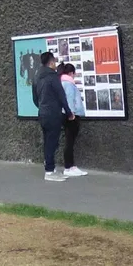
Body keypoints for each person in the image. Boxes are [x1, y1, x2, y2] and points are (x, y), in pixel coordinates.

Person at [31, 50, 70, 180]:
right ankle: (49, 171)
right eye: (54, 62)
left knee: (48, 141)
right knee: (52, 142)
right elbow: (61, 96)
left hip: (42, 113)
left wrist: (42, 107)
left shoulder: (36, 77)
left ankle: (50, 167)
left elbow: (35, 98)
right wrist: (68, 112)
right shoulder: (53, 77)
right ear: (52, 62)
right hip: (53, 114)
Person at [59, 63, 88, 177]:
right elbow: (70, 99)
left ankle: (71, 166)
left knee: (69, 141)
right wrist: (72, 114)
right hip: (71, 115)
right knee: (70, 141)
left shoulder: (62, 82)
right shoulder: (69, 83)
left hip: (66, 114)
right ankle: (69, 167)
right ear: (71, 73)